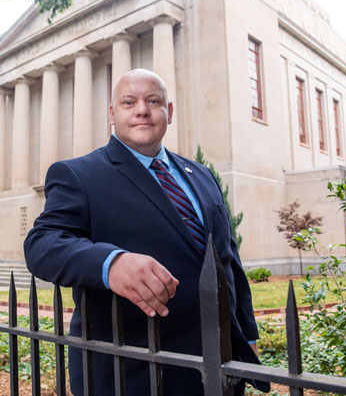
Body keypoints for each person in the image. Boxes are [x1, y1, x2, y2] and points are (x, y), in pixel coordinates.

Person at [24, 69, 268, 395]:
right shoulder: (78, 175)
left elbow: (228, 260)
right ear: (113, 114)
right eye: (129, 102)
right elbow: (42, 244)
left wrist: (246, 334)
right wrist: (111, 264)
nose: (142, 109)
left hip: (216, 370)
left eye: (153, 101)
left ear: (169, 112)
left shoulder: (201, 175)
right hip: (133, 373)